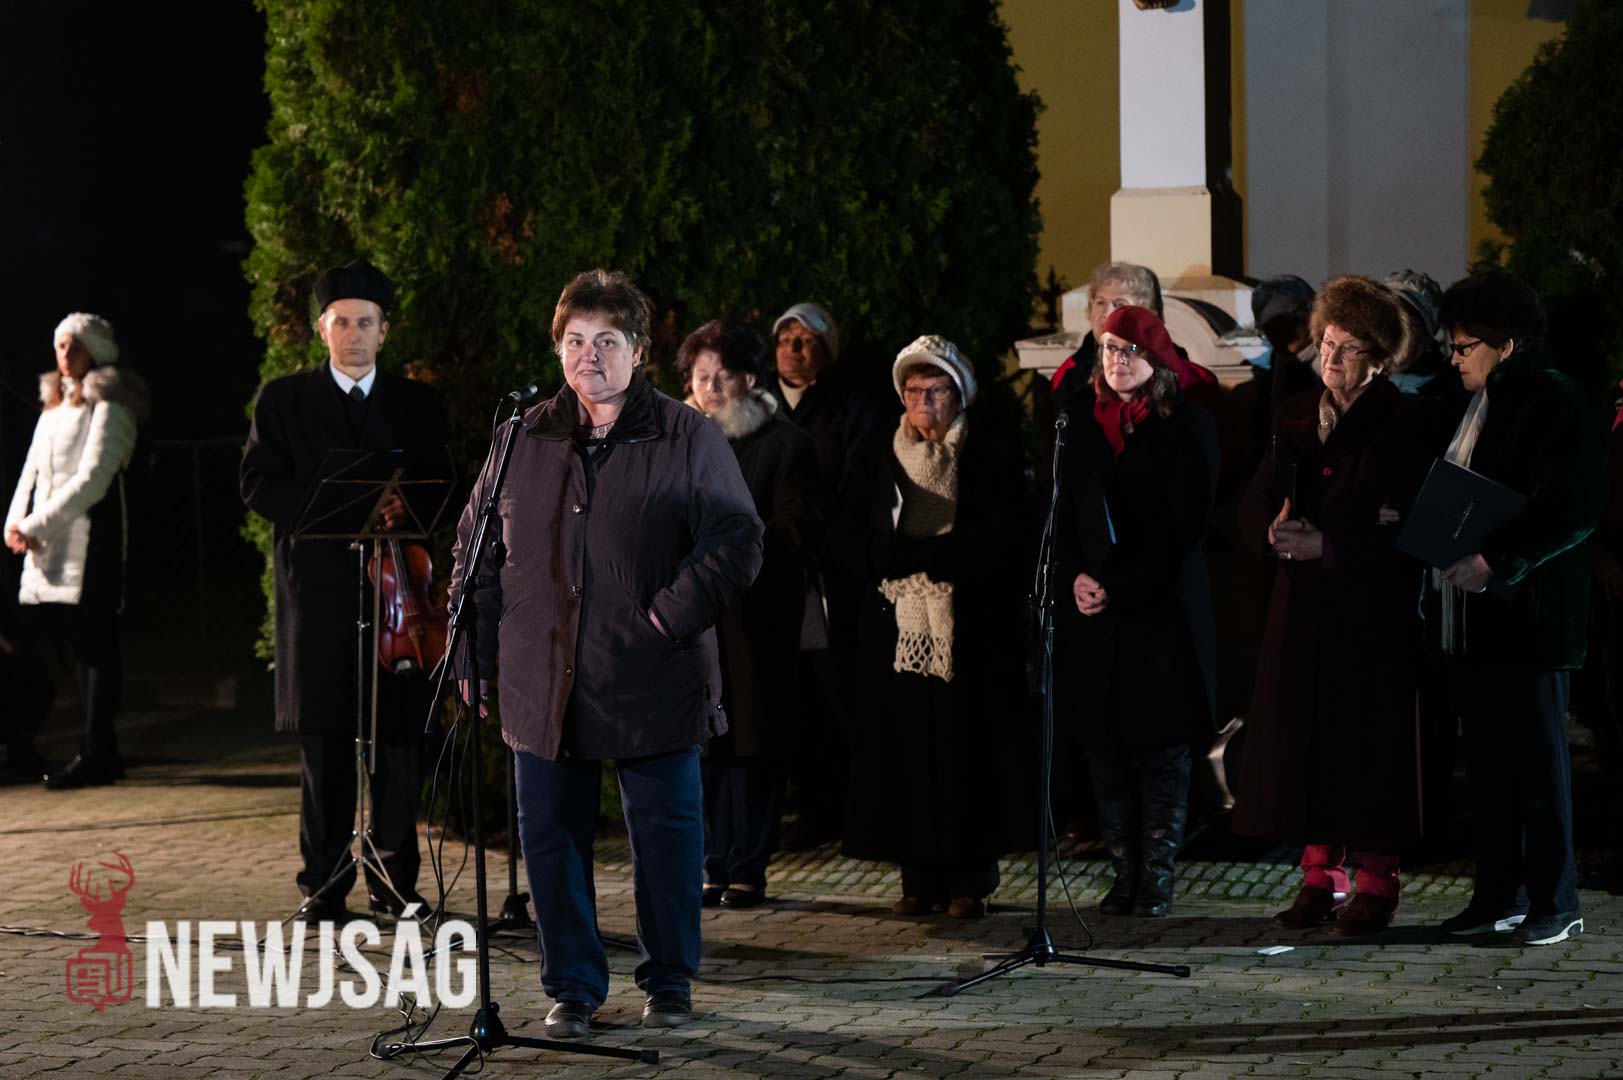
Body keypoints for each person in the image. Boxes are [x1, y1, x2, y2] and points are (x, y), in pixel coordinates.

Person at [451, 270, 762, 1038]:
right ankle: (573, 987)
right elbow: (475, 553)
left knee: (665, 836)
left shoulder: (686, 436)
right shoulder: (519, 438)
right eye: (575, 340)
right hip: (540, 678)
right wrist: (471, 656)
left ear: (639, 350)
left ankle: (668, 981)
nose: (588, 356)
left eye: (607, 341)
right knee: (550, 839)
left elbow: (736, 539)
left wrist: (665, 618)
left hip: (651, 672)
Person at [240, 259, 451, 921]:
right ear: (321, 329)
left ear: (384, 331)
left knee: (396, 742)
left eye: (366, 323)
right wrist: (341, 505)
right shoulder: (283, 401)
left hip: (397, 601)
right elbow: (257, 483)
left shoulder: (416, 404)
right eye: (341, 323)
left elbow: (444, 483)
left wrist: (408, 511)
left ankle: (395, 884)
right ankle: (324, 885)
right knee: (325, 743)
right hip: (320, 597)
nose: (353, 335)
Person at [1233, 276, 1431, 935]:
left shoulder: (1402, 422)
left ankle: (1375, 882)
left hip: (1369, 615)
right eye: (1325, 343)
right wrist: (1269, 532)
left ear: (1379, 357)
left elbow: (1411, 528)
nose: (1331, 357)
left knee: (1366, 748)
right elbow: (1256, 496)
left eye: (1348, 347)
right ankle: (1320, 876)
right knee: (1304, 744)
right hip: (1300, 608)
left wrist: (1333, 544)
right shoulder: (1294, 414)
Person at [1427, 270, 1603, 946]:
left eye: (1464, 346)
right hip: (1480, 614)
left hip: (1532, 615)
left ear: (1504, 344)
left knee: (1538, 763)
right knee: (1490, 766)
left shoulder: (1555, 398)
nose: (1454, 359)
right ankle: (1498, 892)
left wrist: (1501, 559)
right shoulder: (1479, 402)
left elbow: (1573, 506)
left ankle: (1556, 899)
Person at [838, 335, 1029, 919]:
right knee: (906, 750)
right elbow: (847, 528)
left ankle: (971, 880)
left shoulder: (988, 452)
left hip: (971, 626)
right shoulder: (877, 451)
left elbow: (1005, 534)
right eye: (914, 390)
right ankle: (918, 879)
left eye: (936, 389)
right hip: (895, 626)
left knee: (964, 749)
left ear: (959, 394)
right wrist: (888, 556)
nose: (923, 401)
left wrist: (937, 558)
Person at [1054, 305, 1219, 917]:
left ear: (1156, 360)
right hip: (1095, 615)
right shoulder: (1077, 421)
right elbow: (1059, 512)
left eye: (1129, 351)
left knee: (1160, 748)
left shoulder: (1187, 425)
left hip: (1160, 612)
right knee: (1105, 747)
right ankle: (1123, 874)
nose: (1117, 361)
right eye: (1108, 350)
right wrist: (1073, 576)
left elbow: (1183, 524)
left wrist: (1116, 584)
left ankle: (1156, 878)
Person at [679, 319, 821, 909]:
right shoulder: (676, 443)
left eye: (723, 376)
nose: (710, 388)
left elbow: (797, 526)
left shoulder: (784, 443)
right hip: (693, 619)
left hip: (756, 620)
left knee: (753, 746)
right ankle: (711, 864)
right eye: (700, 376)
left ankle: (748, 868)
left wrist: (735, 550)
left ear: (749, 381)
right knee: (703, 745)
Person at [4, 313, 149, 789]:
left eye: (75, 346)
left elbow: (93, 479)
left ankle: (98, 752)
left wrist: (34, 525)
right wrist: (14, 523)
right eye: (60, 345)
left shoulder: (111, 403)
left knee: (96, 646)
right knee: (65, 645)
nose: (65, 354)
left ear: (96, 352)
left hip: (92, 540)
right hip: (47, 544)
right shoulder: (53, 404)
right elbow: (31, 469)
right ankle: (49, 746)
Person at [762, 301, 880, 851]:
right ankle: (808, 807)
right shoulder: (760, 407)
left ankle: (852, 808)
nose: (793, 347)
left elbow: (856, 489)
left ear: (826, 352)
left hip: (832, 577)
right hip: (776, 574)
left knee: (838, 693)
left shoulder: (851, 410)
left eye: (806, 339)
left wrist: (821, 547)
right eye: (785, 337)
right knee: (792, 698)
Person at [1050, 261, 1219, 414]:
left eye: (1120, 304)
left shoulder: (1191, 379)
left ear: (1147, 315)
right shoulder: (1070, 374)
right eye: (1100, 302)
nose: (1106, 313)